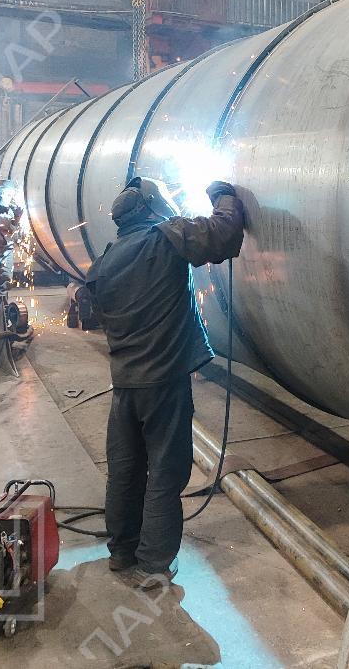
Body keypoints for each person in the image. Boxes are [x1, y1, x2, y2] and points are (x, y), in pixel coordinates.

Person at [88, 176, 244, 588]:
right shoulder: (164, 238)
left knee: (124, 471)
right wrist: (222, 195)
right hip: (163, 383)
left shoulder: (104, 262)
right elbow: (223, 235)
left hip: (124, 387)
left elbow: (95, 314)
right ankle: (154, 563)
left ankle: (122, 552)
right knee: (165, 471)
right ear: (152, 207)